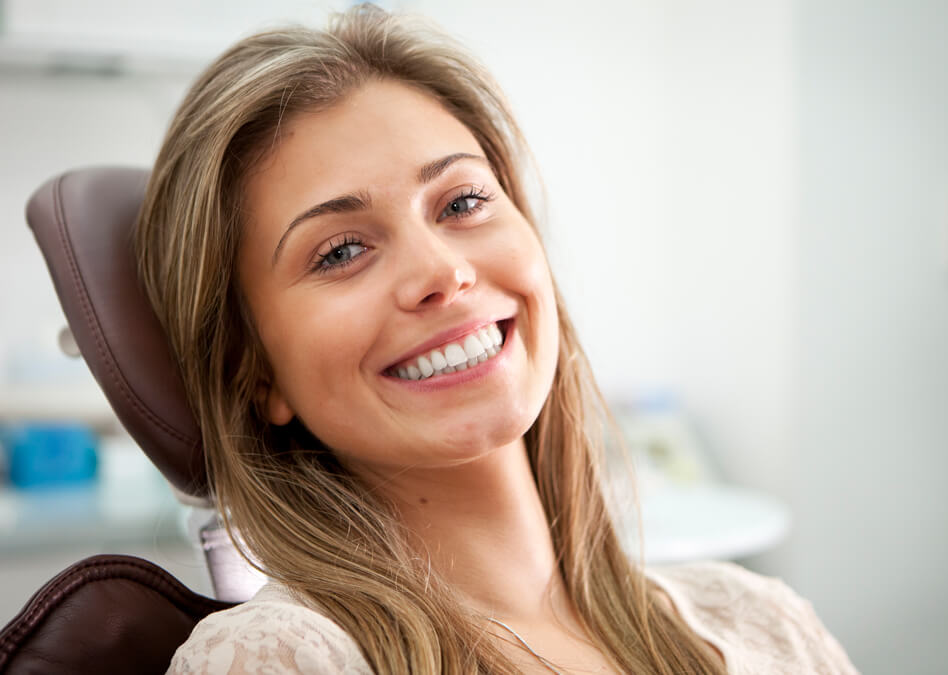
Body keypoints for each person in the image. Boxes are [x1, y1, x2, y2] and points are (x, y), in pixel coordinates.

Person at [135, 5, 858, 674]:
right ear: (254, 371)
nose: (443, 271)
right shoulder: (280, 659)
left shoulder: (765, 623)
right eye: (341, 251)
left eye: (463, 200)